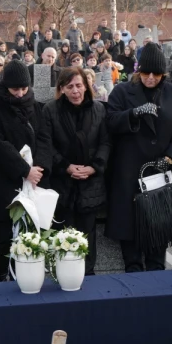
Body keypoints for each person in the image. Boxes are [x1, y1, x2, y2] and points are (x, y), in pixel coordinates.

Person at [105, 42, 172, 271]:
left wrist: (171, 157)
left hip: (160, 174)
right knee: (131, 246)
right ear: (138, 71)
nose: (151, 78)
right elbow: (110, 121)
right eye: (146, 72)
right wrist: (133, 113)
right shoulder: (122, 91)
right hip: (129, 173)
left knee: (157, 245)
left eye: (156, 73)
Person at [0, 59, 51, 282]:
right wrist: (23, 169)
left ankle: (27, 278)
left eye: (23, 88)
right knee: (3, 237)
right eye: (14, 89)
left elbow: (45, 139)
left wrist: (38, 168)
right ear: (5, 86)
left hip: (33, 182)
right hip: (4, 184)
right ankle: (0, 280)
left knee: (30, 236)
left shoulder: (37, 107)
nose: (20, 93)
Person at [46, 65, 108, 276]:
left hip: (91, 183)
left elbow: (106, 143)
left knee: (88, 235)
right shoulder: (50, 110)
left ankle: (88, 277)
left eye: (79, 85)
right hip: (63, 184)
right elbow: (47, 145)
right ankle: (63, 276)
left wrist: (94, 167)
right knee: (63, 236)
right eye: (70, 86)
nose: (75, 91)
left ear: (86, 86)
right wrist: (66, 167)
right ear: (62, 88)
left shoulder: (99, 110)